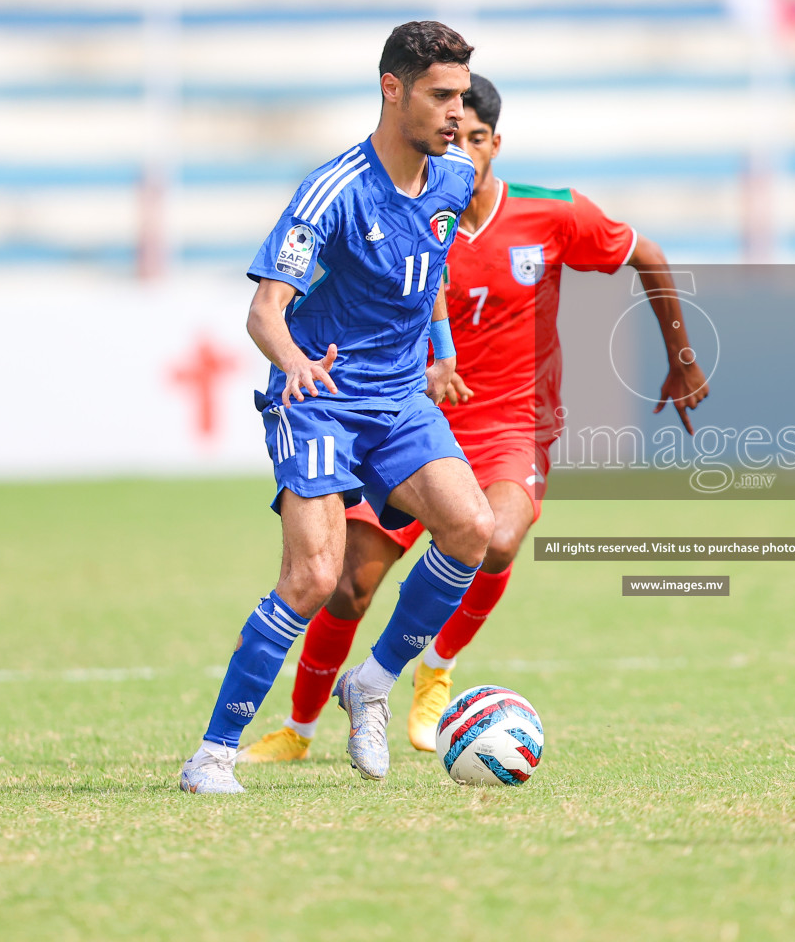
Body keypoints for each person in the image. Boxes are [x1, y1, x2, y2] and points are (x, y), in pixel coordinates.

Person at [237, 74, 710, 764]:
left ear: (495, 143)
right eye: (458, 135)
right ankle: (300, 730)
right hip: (408, 414)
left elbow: (649, 254)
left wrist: (683, 357)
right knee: (348, 584)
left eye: (479, 138)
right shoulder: (407, 212)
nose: (467, 151)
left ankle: (434, 666)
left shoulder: (551, 214)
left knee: (497, 535)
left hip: (512, 423)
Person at [179, 21, 493, 794]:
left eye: (462, 98)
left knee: (472, 529)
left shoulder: (453, 180)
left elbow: (434, 269)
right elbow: (264, 311)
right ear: (393, 90)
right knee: (315, 577)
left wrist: (442, 348)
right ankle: (212, 755)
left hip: (398, 398)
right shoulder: (336, 189)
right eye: (441, 96)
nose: (458, 114)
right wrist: (292, 364)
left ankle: (374, 680)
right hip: (318, 397)